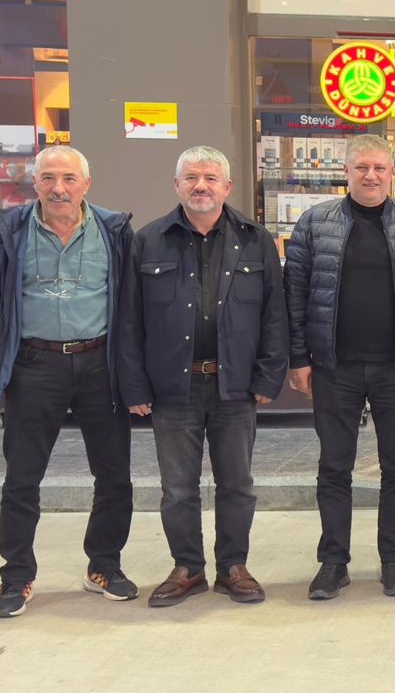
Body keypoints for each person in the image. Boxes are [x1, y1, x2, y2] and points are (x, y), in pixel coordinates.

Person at [120, 146, 287, 607]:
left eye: (211, 178)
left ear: (227, 186)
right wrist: (134, 385)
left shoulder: (256, 240)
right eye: (191, 178)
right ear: (176, 184)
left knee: (238, 485)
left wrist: (268, 377)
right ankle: (188, 568)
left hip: (236, 386)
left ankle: (233, 567)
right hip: (173, 389)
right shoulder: (148, 241)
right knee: (177, 488)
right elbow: (129, 319)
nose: (201, 186)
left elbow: (275, 314)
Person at [0, 146, 138, 618]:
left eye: (68, 179)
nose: (58, 188)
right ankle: (17, 575)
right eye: (48, 178)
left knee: (114, 474)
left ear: (87, 184)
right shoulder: (8, 231)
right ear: (35, 183)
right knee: (22, 477)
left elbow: (131, 301)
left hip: (99, 364)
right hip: (35, 365)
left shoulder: (114, 230)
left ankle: (104, 565)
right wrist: (23, 345)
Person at [284, 134, 395, 602]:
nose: (370, 176)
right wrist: (299, 358)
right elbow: (295, 295)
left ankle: (393, 560)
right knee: (334, 467)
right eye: (361, 168)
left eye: (378, 168)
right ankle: (333, 563)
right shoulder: (315, 223)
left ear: (392, 173)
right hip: (334, 367)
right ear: (346, 172)